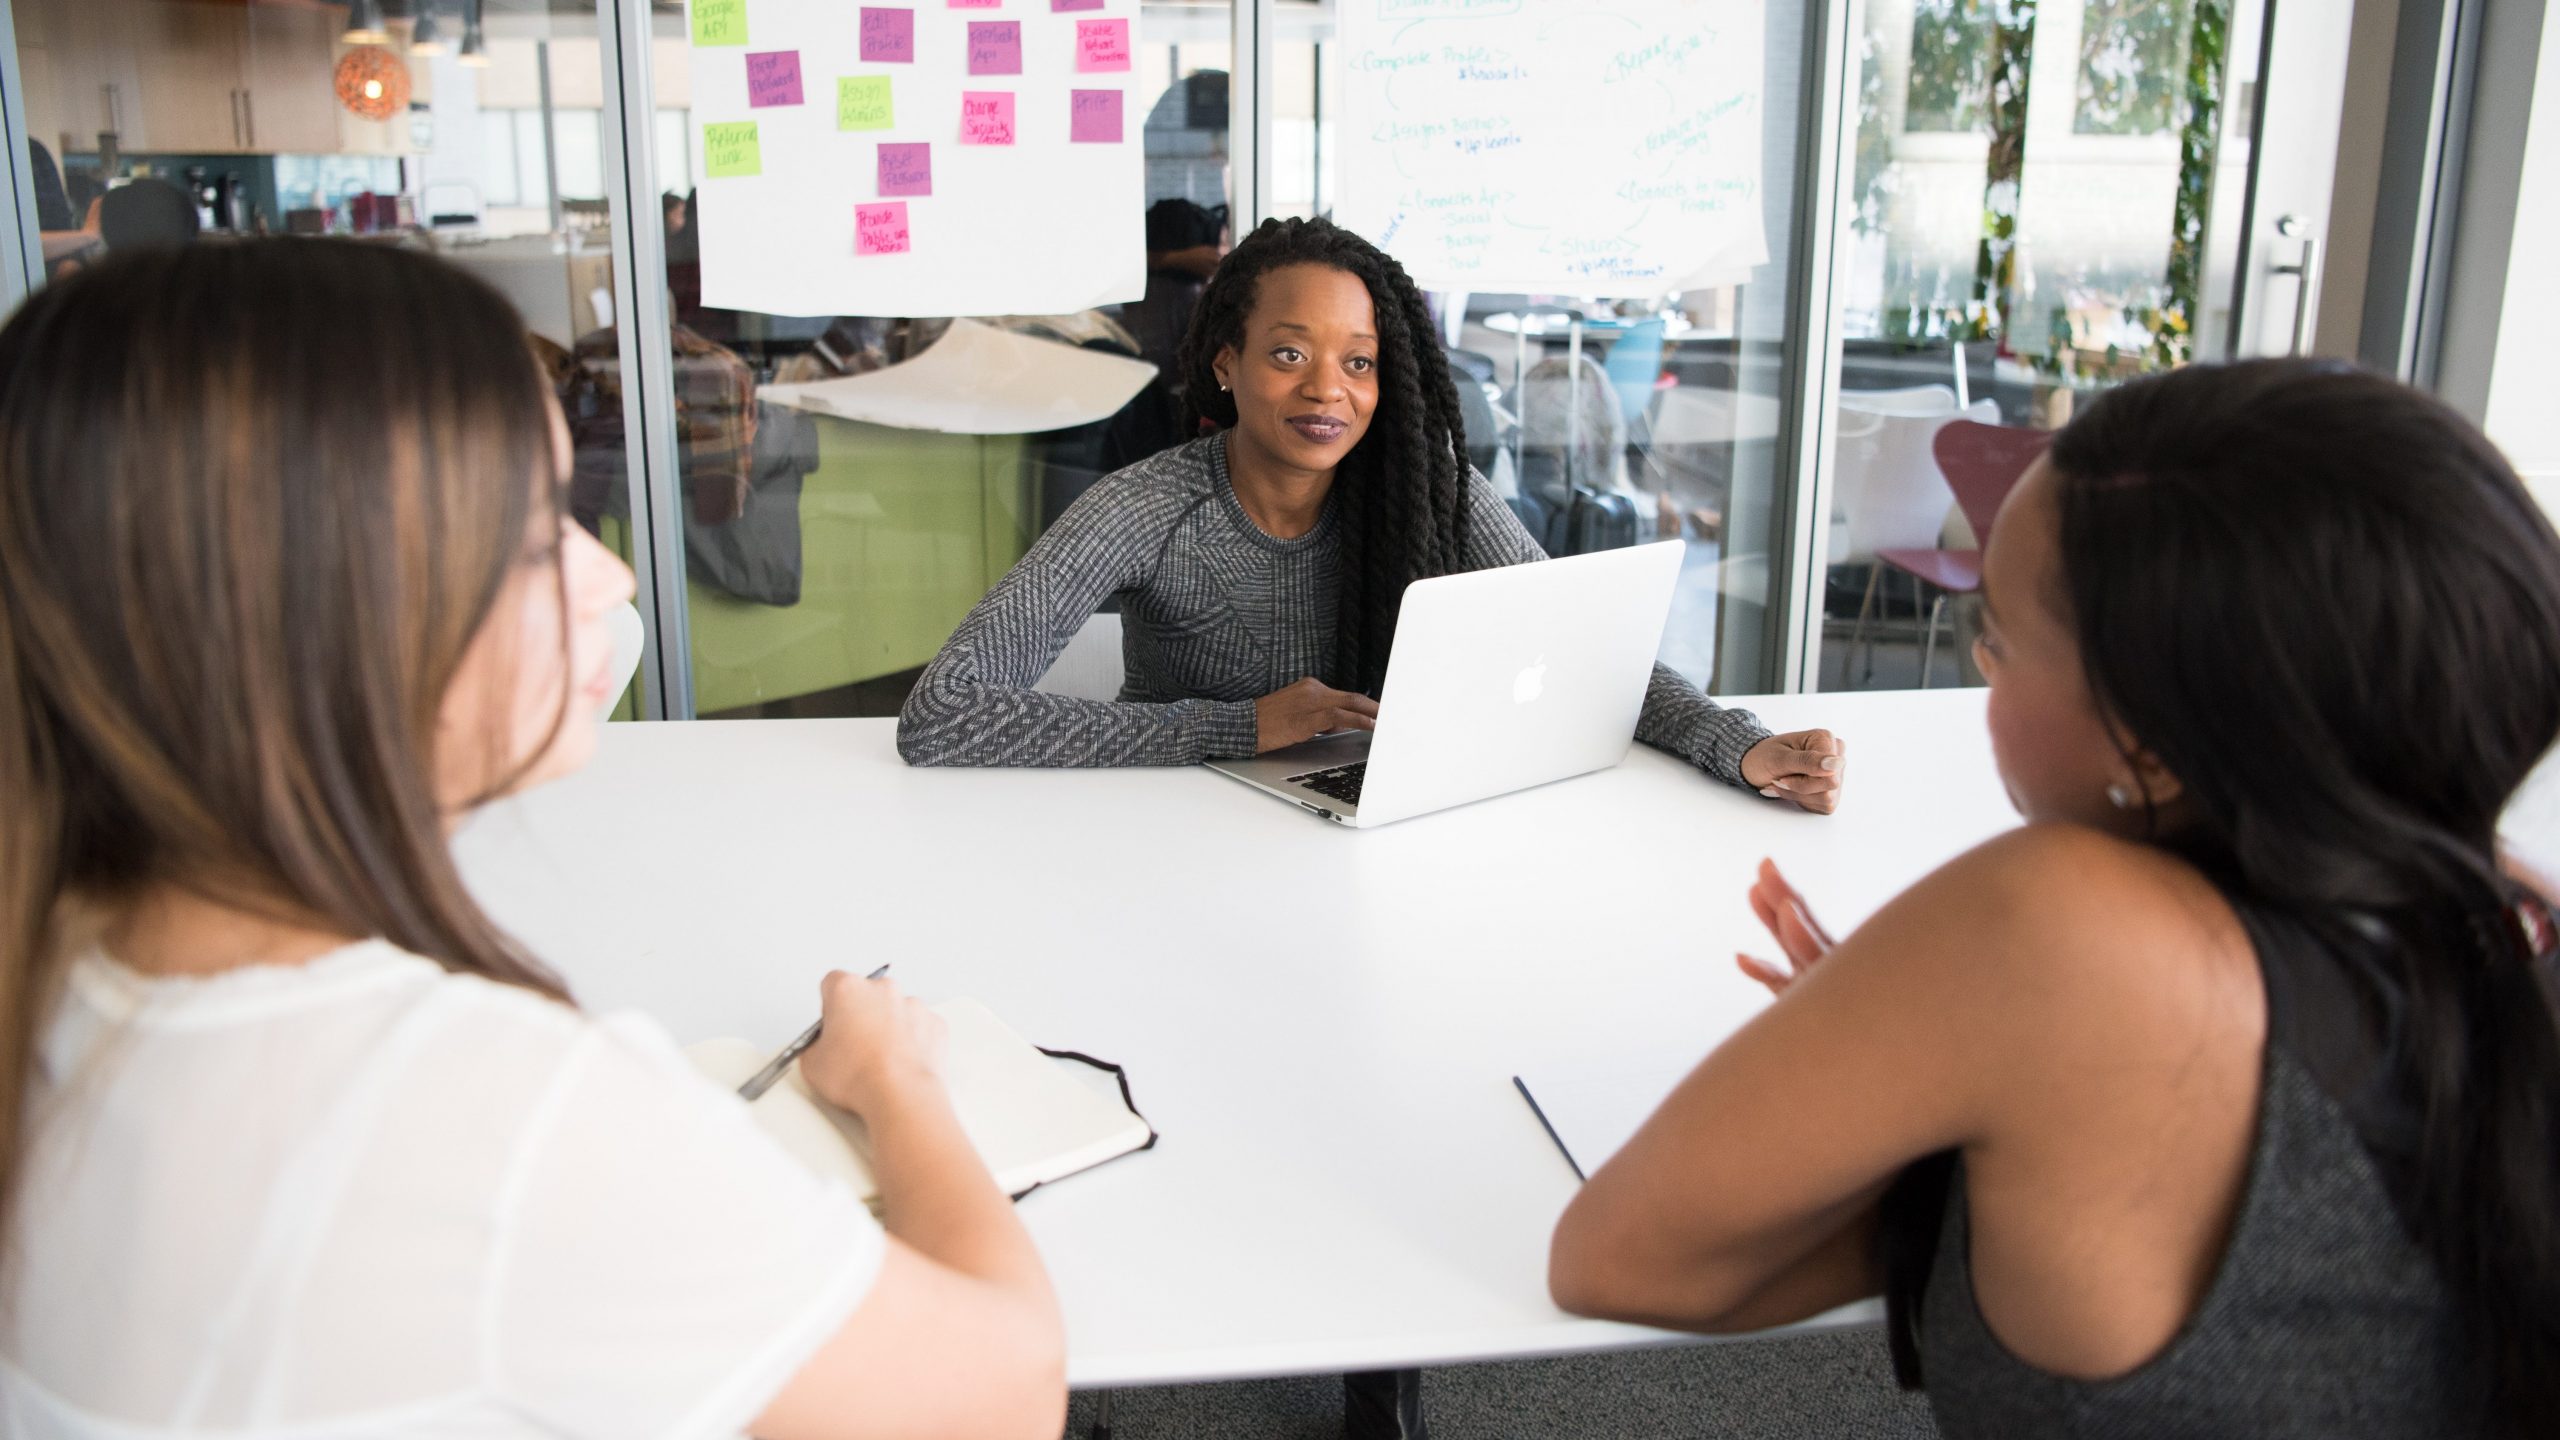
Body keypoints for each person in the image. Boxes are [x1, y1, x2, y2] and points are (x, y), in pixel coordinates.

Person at [0, 241, 1065, 1438]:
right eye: (528, 538)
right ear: (317, 616)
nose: (608, 574)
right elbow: (1004, 1390)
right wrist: (894, 1080)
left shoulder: (62, 967)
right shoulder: (482, 1117)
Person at [1547, 359, 2560, 1438]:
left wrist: (1920, 1062)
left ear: (2154, 742)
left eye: (2001, 639)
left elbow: (1619, 1259)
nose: (1983, 670)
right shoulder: (2512, 914)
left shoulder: (2055, 929)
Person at [897, 216, 1847, 816]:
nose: (1328, 390)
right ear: (1226, 361)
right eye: (1288, 354)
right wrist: (1234, 727)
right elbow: (943, 715)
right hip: (1168, 836)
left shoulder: (1424, 492)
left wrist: (1739, 744)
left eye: (1359, 362)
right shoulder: (1147, 507)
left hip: (1372, 829)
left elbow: (1591, 654)